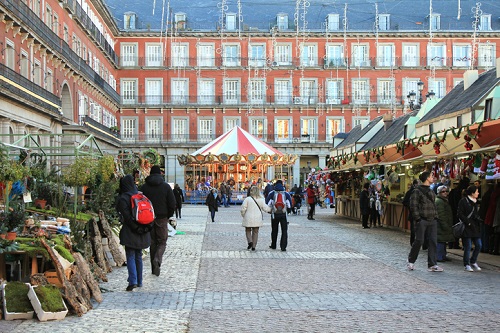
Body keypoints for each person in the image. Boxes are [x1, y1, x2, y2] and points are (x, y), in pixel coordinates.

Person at [116, 175, 151, 291]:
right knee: (138, 256)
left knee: (130, 255)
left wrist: (135, 227)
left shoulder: (123, 198)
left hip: (131, 231)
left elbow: (125, 216)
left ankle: (133, 281)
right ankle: (139, 281)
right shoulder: (142, 196)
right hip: (142, 230)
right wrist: (143, 228)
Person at [140, 165, 176, 277]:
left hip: (148, 218)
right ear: (160, 174)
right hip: (162, 217)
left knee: (153, 243)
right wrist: (168, 215)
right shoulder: (165, 187)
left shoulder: (144, 187)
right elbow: (172, 203)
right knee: (162, 241)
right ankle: (157, 259)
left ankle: (153, 268)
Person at [407, 171, 443, 272]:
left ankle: (432, 264)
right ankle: (411, 261)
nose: (433, 178)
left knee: (432, 241)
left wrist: (436, 216)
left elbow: (433, 205)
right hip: (422, 220)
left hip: (432, 220)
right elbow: (413, 205)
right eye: (432, 176)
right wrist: (418, 218)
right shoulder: (417, 191)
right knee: (419, 241)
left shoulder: (431, 191)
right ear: (427, 178)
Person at [458, 185, 483, 272]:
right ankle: (467, 264)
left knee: (479, 245)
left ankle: (473, 261)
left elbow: (476, 214)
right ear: (472, 193)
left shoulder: (476, 202)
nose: (478, 193)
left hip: (475, 227)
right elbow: (460, 214)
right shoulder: (463, 201)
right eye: (477, 192)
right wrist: (467, 222)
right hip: (467, 226)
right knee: (468, 246)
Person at [240, 185, 271, 251]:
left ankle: (250, 242)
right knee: (255, 232)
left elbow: (243, 208)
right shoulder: (261, 199)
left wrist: (243, 215)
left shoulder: (247, 199)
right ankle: (254, 246)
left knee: (248, 230)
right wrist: (271, 210)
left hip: (248, 217)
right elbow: (265, 208)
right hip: (257, 218)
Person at [266, 180, 292, 251]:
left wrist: (270, 211)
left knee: (274, 230)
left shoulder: (272, 193)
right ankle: (283, 246)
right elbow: (289, 204)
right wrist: (288, 211)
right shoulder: (286, 194)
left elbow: (267, 203)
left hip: (274, 214)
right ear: (282, 185)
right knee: (284, 230)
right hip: (283, 214)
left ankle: (273, 244)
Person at [435, 185, 454, 262]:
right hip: (440, 225)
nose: (445, 193)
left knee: (443, 241)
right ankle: (439, 256)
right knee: (440, 241)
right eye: (443, 191)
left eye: (446, 191)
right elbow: (441, 215)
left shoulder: (443, 200)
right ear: (439, 193)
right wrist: (445, 225)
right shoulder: (439, 201)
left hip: (443, 224)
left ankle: (443, 255)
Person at [402, 179, 419, 245]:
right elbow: (404, 202)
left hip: (420, 214)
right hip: (413, 214)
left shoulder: (421, 191)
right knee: (413, 230)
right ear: (415, 184)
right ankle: (413, 242)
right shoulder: (410, 192)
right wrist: (411, 206)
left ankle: (421, 243)